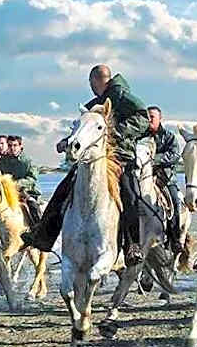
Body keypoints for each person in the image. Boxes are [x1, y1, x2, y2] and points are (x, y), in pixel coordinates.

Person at [21, 65, 151, 265]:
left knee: (130, 194)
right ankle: (43, 235)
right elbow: (83, 131)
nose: (90, 87)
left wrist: (116, 132)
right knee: (63, 189)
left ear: (99, 81)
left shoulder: (123, 96)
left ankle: (133, 246)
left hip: (120, 157)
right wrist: (67, 141)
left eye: (91, 83)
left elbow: (143, 117)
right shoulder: (92, 105)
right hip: (92, 158)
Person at [147, 106, 183, 254]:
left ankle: (175, 239)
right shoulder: (140, 136)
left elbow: (175, 155)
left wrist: (154, 159)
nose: (149, 120)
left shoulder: (169, 136)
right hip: (144, 176)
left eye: (152, 117)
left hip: (165, 178)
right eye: (147, 116)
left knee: (174, 202)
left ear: (159, 119)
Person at [0, 135, 42, 223]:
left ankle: (39, 229)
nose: (12, 148)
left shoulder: (28, 161)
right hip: (8, 192)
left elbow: (32, 178)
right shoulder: (3, 161)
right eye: (10, 145)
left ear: (20, 146)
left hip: (28, 192)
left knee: (32, 205)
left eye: (15, 145)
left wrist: (17, 184)